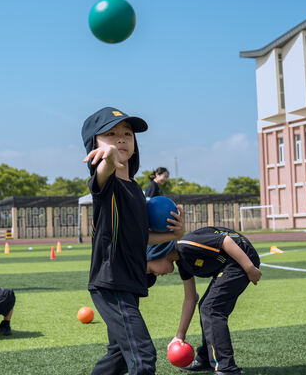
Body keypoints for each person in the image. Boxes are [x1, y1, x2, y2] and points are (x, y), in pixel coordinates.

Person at [81, 107, 185, 375]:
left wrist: (174, 235)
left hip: (129, 282)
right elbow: (102, 173)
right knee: (143, 356)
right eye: (111, 134)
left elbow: (141, 236)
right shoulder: (107, 184)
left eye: (127, 133)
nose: (121, 139)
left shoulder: (136, 191)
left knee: (118, 357)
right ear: (94, 144)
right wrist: (109, 159)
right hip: (111, 282)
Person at [146, 226, 261, 375]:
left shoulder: (184, 244)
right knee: (206, 306)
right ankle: (207, 358)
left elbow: (225, 241)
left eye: (151, 270)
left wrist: (249, 268)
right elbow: (190, 298)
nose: (156, 274)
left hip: (241, 259)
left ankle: (226, 368)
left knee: (211, 308)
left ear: (157, 254)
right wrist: (180, 335)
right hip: (228, 264)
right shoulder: (182, 262)